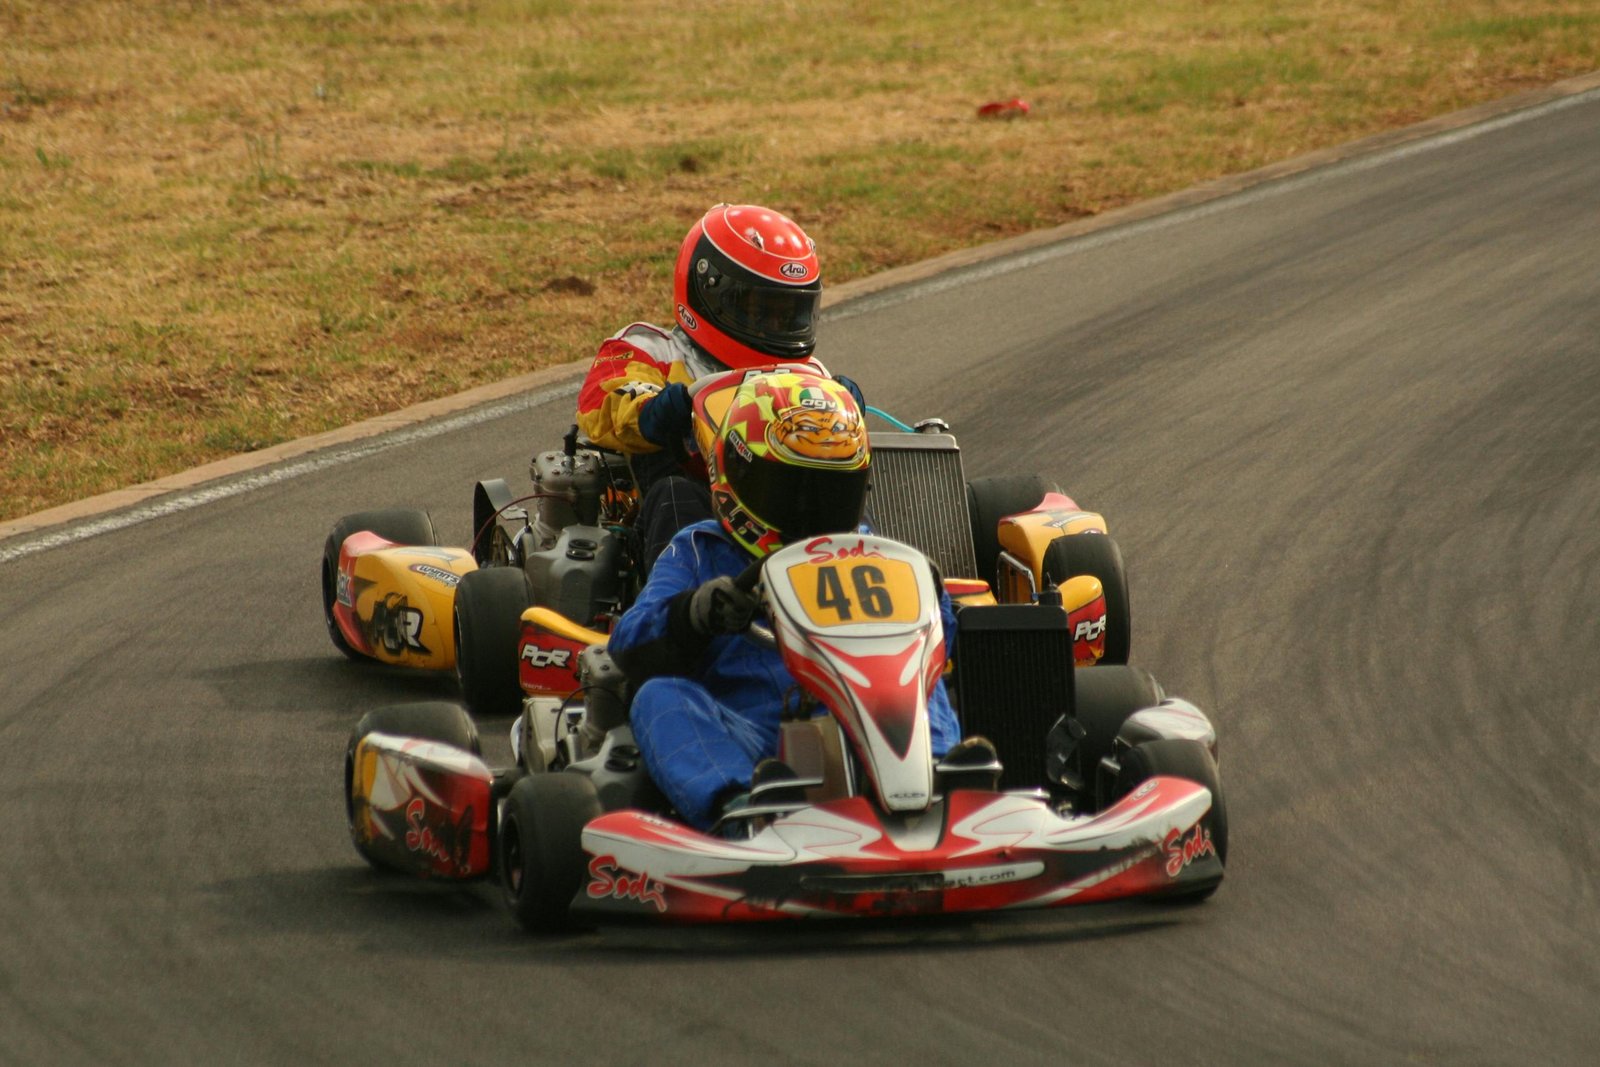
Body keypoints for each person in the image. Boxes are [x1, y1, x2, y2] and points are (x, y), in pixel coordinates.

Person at [607, 369, 974, 832]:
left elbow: (940, 641)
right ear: (738, 472)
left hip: (867, 718)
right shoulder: (700, 549)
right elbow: (628, 641)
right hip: (752, 736)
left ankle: (940, 776)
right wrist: (696, 612)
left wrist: (929, 600)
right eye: (792, 490)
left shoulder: (869, 551)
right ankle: (741, 810)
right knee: (658, 696)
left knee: (917, 674)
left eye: (832, 492)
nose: (813, 509)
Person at [573, 203, 861, 569]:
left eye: (789, 313)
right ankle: (677, 598)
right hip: (695, 507)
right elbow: (601, 404)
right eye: (759, 309)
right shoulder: (649, 349)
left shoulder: (808, 375)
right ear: (708, 291)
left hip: (788, 512)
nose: (775, 324)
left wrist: (845, 410)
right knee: (675, 492)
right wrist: (656, 410)